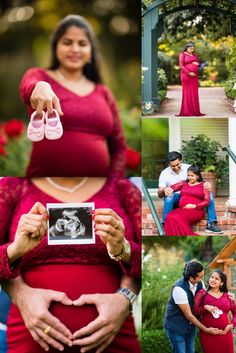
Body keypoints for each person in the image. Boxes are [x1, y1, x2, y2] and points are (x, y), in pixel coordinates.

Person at [0, 176, 141, 353]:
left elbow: (147, 257)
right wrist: (15, 253)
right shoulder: (12, 186)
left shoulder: (123, 187)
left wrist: (126, 296)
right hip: (31, 337)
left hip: (114, 336)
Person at [20, 14, 127, 177]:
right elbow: (28, 87)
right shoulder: (39, 76)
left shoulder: (103, 91)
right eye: (67, 42)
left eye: (82, 44)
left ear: (91, 51)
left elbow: (119, 147)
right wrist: (39, 86)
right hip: (44, 183)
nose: (75, 49)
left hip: (96, 187)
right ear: (56, 47)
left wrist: (113, 183)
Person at [158, 151, 223, 234]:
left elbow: (199, 182)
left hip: (192, 200)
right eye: (173, 166)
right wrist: (164, 190)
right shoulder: (164, 173)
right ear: (168, 164)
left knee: (208, 194)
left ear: (181, 160)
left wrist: (207, 185)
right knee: (169, 198)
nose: (176, 167)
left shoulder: (189, 168)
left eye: (178, 165)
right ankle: (164, 224)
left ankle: (211, 223)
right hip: (176, 197)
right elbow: (160, 193)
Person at [163, 261, 221, 353]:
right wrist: (206, 329)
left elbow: (206, 298)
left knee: (190, 350)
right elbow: (189, 315)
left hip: (191, 326)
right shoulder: (179, 289)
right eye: (201, 276)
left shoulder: (200, 283)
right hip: (176, 326)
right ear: (191, 278)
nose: (203, 278)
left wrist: (224, 295)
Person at [194, 269, 236, 353]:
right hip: (208, 335)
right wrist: (205, 307)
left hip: (225, 334)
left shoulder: (228, 296)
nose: (213, 279)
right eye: (212, 277)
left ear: (222, 283)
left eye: (216, 279)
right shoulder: (202, 293)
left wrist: (231, 325)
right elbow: (195, 311)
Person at [164, 165, 210, 236]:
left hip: (196, 210)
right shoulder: (184, 183)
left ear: (197, 176)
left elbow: (207, 201)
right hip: (182, 209)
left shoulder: (204, 185)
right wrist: (168, 190)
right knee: (169, 216)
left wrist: (194, 206)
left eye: (192, 176)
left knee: (177, 217)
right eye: (188, 175)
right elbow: (171, 188)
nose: (190, 177)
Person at [176, 41, 205, 117]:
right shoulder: (182, 55)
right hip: (186, 76)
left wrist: (197, 64)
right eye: (190, 48)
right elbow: (181, 66)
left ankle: (194, 111)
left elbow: (198, 62)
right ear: (187, 48)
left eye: (193, 48)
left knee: (194, 93)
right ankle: (186, 111)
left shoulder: (194, 55)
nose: (192, 50)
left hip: (194, 77)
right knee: (187, 93)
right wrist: (189, 73)